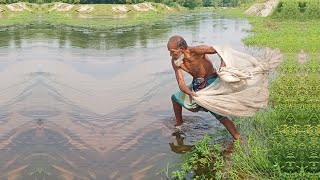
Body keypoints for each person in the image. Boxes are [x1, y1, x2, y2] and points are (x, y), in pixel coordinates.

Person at [168, 35, 240, 140]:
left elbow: (221, 50)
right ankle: (179, 125)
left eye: (172, 51)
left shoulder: (197, 50)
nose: (170, 54)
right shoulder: (176, 61)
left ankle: (238, 139)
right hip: (197, 85)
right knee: (175, 98)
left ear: (182, 49)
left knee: (218, 114)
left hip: (212, 81)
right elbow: (180, 82)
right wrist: (190, 93)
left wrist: (222, 68)